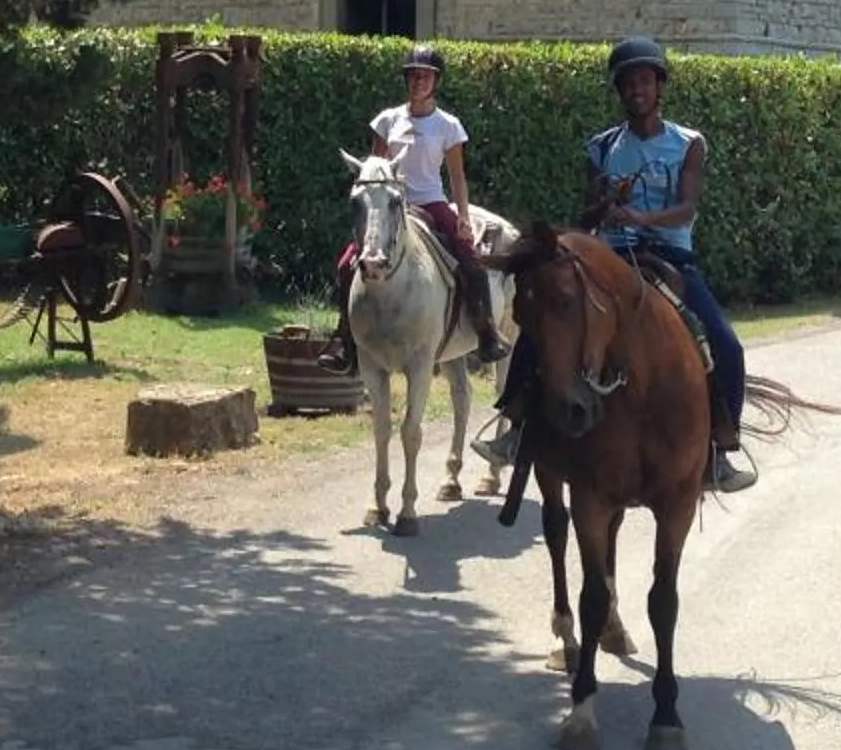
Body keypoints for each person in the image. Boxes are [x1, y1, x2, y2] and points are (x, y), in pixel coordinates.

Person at [478, 36, 754, 492]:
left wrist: (641, 216)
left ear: (659, 87)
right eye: (628, 83)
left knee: (727, 345)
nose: (636, 90)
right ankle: (516, 426)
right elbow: (586, 216)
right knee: (547, 327)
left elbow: (686, 208)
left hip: (670, 256)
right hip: (610, 257)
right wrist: (605, 204)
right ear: (619, 90)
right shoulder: (602, 147)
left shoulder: (689, 144)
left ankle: (721, 448)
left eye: (644, 81)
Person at [319, 44, 507, 372]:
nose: (418, 82)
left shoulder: (448, 126)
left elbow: (457, 177)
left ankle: (486, 332)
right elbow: (374, 170)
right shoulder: (387, 120)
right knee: (346, 264)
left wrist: (462, 217)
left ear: (436, 82)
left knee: (471, 261)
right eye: (413, 76)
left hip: (432, 202)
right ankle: (345, 342)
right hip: (391, 206)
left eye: (425, 76)